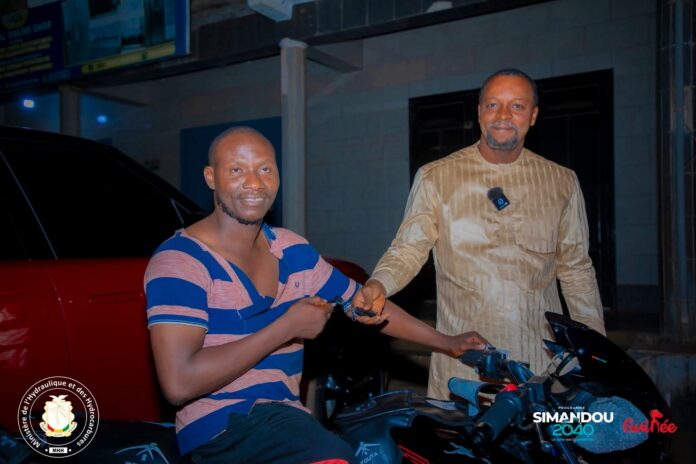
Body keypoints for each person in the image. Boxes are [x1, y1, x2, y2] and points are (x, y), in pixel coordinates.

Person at [144, 127, 488, 463]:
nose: (254, 182)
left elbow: (362, 303)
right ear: (211, 177)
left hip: (285, 417)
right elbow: (179, 383)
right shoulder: (181, 261)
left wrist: (447, 342)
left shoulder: (291, 249)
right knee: (333, 457)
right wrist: (286, 327)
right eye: (237, 170)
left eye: (265, 169)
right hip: (219, 427)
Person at [354, 68, 606, 400]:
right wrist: (379, 283)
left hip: (540, 366)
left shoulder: (562, 182)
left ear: (533, 116)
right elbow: (408, 249)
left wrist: (598, 354)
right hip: (464, 363)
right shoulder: (436, 177)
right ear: (479, 112)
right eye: (492, 105)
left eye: (517, 106)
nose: (503, 115)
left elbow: (576, 271)